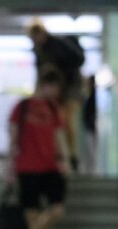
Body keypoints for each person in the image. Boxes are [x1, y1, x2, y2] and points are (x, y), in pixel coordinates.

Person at [8, 67, 70, 229]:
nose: (54, 92)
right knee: (31, 215)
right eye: (53, 87)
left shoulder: (53, 109)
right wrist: (9, 169)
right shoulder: (22, 107)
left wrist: (65, 161)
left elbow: (59, 137)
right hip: (27, 169)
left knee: (57, 209)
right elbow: (13, 140)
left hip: (50, 168)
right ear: (44, 85)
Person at [27, 19, 86, 172]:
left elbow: (74, 64)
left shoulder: (58, 45)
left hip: (71, 88)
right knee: (56, 122)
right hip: (55, 91)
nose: (35, 40)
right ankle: (61, 156)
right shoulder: (39, 51)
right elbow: (41, 74)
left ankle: (71, 156)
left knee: (66, 121)